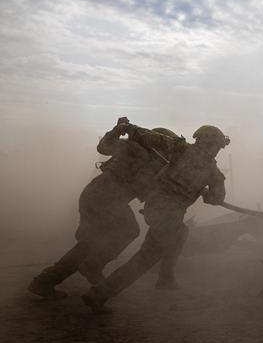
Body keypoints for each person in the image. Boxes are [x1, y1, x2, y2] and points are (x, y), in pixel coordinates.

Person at [81, 124, 229, 312]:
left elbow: (148, 136)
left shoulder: (179, 147)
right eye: (217, 147)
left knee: (181, 233)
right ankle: (99, 294)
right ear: (215, 146)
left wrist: (128, 127)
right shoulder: (213, 173)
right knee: (146, 257)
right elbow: (217, 199)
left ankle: (166, 278)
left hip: (154, 206)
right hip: (170, 214)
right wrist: (206, 191)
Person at [27, 120, 179, 299]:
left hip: (95, 194)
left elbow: (105, 148)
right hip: (108, 198)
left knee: (89, 244)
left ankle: (44, 282)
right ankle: (93, 266)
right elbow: (105, 148)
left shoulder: (136, 152)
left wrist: (117, 130)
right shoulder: (142, 154)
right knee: (128, 231)